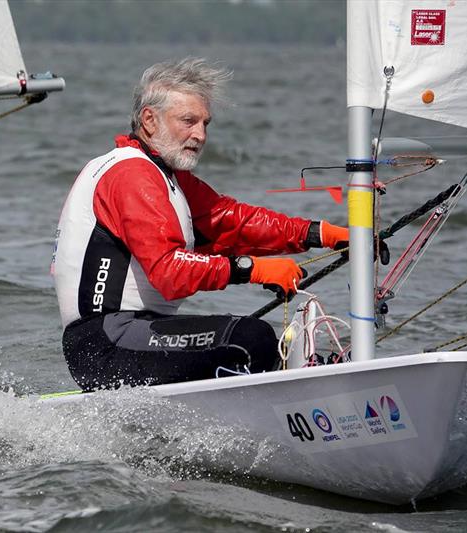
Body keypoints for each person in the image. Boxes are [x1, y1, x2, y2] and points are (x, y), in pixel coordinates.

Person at [51, 58, 351, 391]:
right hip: (105, 343)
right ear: (149, 120)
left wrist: (318, 233)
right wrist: (252, 270)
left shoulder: (162, 173)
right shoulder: (132, 175)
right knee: (250, 339)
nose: (201, 135)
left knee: (249, 337)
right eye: (189, 121)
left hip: (131, 334)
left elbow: (231, 222)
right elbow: (169, 272)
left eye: (206, 123)